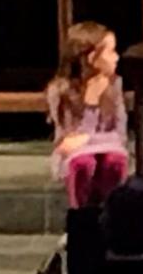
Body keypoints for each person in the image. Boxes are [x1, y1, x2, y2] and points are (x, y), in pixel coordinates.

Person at [46, 21, 128, 208]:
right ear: (91, 58)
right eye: (110, 51)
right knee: (83, 163)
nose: (116, 57)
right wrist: (90, 104)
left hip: (107, 148)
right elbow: (66, 143)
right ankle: (81, 220)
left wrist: (87, 139)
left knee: (114, 161)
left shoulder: (115, 86)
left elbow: (120, 134)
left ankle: (112, 218)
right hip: (76, 157)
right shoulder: (60, 91)